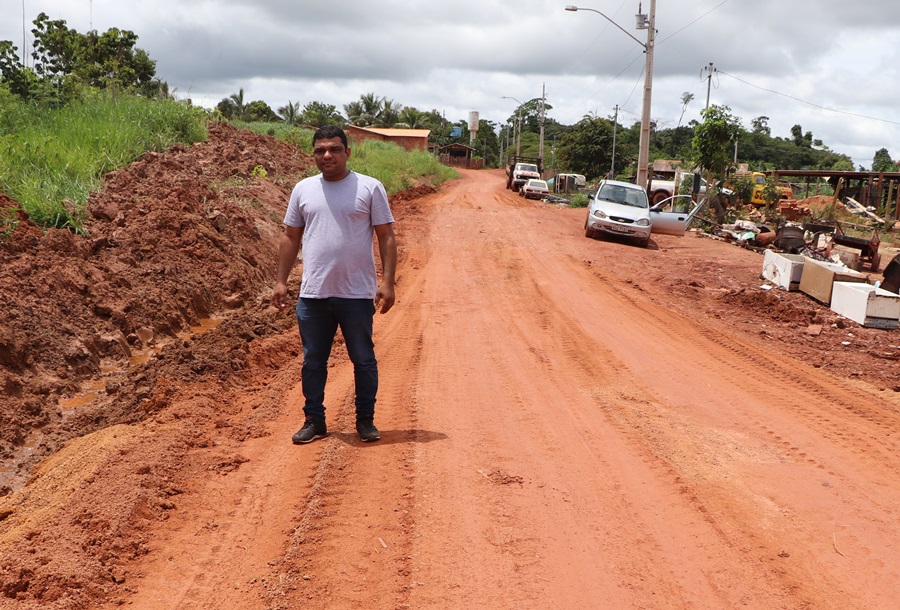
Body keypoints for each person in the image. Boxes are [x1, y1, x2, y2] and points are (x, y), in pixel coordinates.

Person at [273, 125, 397, 444]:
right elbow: (290, 237)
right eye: (320, 150)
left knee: (363, 359)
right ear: (314, 154)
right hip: (313, 295)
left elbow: (386, 237)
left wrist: (387, 282)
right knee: (313, 360)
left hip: (355, 294)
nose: (327, 155)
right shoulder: (303, 189)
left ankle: (365, 420)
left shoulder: (369, 188)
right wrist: (280, 281)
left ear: (347, 152)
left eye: (335, 149)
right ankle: (315, 420)